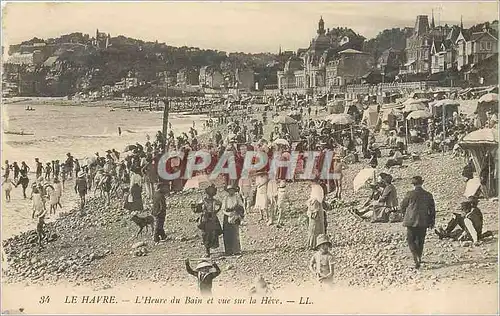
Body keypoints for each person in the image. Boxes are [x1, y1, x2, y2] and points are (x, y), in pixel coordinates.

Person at [401, 176, 436, 269]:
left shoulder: (409, 194)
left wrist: (404, 215)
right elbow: (432, 209)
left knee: (410, 240)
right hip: (423, 220)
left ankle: (415, 257)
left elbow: (403, 206)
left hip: (411, 220)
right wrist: (432, 221)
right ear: (422, 182)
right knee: (421, 240)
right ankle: (419, 257)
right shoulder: (428, 195)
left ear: (413, 184)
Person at [192, 184, 223, 257]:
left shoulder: (215, 201)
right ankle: (207, 250)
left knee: (213, 234)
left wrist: (216, 211)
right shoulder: (202, 201)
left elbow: (220, 205)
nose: (210, 194)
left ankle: (210, 247)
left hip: (212, 219)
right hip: (205, 220)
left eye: (212, 192)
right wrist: (198, 206)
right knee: (205, 235)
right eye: (209, 192)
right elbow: (196, 210)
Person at [222, 185, 244, 256]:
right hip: (227, 215)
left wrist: (237, 213)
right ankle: (228, 251)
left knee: (235, 233)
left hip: (235, 214)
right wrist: (228, 214)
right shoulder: (225, 198)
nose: (231, 191)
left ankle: (236, 250)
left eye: (232, 190)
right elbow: (223, 209)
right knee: (227, 234)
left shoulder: (237, 197)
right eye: (229, 190)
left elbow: (241, 206)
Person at [307, 181, 326, 250]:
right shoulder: (316, 188)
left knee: (315, 227)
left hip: (316, 210)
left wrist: (311, 203)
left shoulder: (317, 188)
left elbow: (318, 200)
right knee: (314, 227)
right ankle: (314, 244)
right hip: (315, 209)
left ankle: (315, 244)